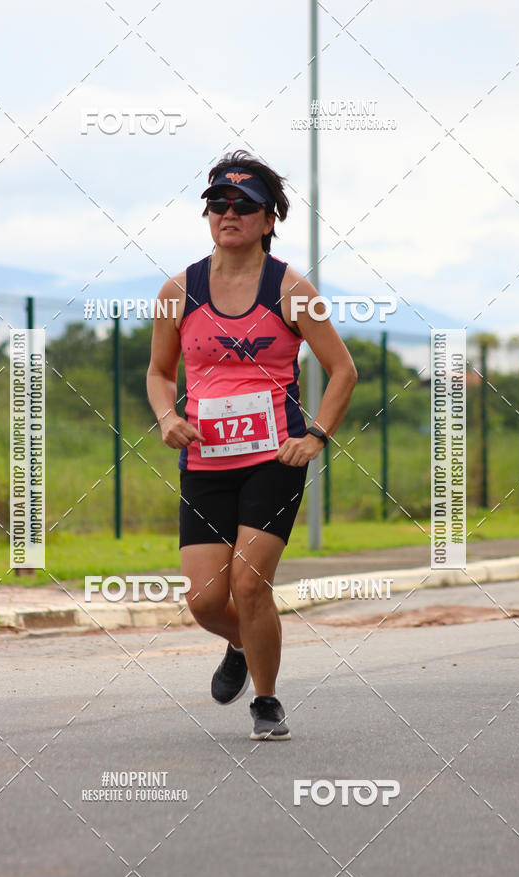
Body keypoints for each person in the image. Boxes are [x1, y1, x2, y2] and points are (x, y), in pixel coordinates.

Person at [147, 150, 357, 740]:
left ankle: (266, 700)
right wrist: (167, 416)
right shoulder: (177, 290)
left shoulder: (291, 289)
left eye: (244, 205)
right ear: (207, 215)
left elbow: (342, 370)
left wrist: (315, 436)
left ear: (269, 219)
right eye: (218, 203)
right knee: (206, 601)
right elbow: (159, 372)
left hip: (274, 458)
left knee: (248, 583)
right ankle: (242, 643)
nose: (229, 213)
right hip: (205, 460)